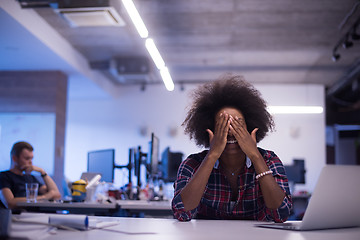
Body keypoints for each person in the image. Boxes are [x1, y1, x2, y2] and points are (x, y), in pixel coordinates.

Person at [172, 75, 292, 222]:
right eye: (222, 124)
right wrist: (212, 155)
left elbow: (282, 214)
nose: (230, 131)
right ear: (209, 129)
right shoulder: (193, 164)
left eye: (237, 124)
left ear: (251, 129)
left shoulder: (269, 160)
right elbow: (181, 213)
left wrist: (254, 155)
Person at [0, 141, 61, 209]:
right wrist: (44, 197)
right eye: (27, 158)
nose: (30, 162)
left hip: (36, 215)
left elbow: (56, 194)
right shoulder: (3, 176)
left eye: (32, 158)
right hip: (18, 217)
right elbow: (10, 203)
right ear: (15, 158)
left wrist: (42, 172)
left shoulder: (30, 177)